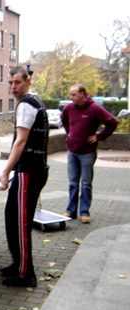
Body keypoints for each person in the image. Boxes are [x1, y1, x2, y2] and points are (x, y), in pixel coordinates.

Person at [0, 66, 49, 287]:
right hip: (30, 170)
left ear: (28, 82)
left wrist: (6, 171)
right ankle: (18, 263)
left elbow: (20, 142)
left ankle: (26, 274)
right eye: (10, 82)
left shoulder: (27, 104)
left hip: (28, 171)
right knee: (12, 216)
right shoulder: (32, 102)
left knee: (20, 223)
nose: (13, 87)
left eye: (17, 82)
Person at [61, 84, 118, 224]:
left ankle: (84, 212)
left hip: (87, 152)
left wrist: (98, 136)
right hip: (72, 151)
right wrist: (69, 133)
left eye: (74, 94)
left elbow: (112, 122)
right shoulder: (69, 108)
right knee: (73, 183)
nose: (71, 97)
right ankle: (71, 211)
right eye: (70, 94)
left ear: (83, 94)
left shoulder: (94, 108)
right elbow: (63, 119)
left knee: (86, 183)